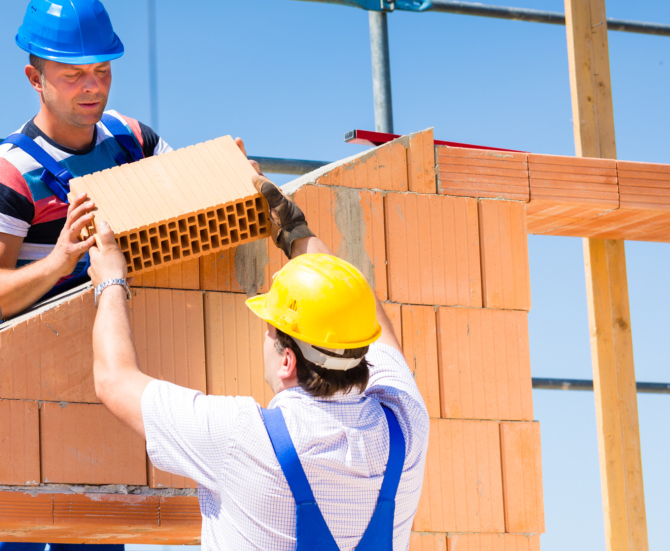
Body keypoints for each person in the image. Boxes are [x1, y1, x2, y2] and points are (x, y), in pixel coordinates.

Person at [87, 176, 431, 551]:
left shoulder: (242, 438)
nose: (264, 337)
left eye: (270, 329)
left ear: (287, 361)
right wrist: (295, 232)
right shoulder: (406, 424)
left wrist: (109, 280)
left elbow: (113, 379)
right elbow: (364, 320)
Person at [0, 0, 171, 551]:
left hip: (108, 386)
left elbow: (186, 199)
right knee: (14, 535)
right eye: (73, 74)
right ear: (35, 79)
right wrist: (59, 260)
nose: (93, 87)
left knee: (98, 534)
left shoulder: (133, 142)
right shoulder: (7, 174)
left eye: (102, 70)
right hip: (30, 394)